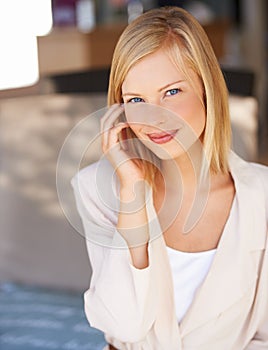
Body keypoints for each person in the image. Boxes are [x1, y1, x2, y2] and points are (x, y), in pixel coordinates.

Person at [71, 6, 268, 350]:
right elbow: (124, 326)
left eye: (172, 92)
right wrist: (131, 193)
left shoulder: (262, 198)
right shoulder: (95, 189)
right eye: (136, 99)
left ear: (206, 88)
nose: (154, 118)